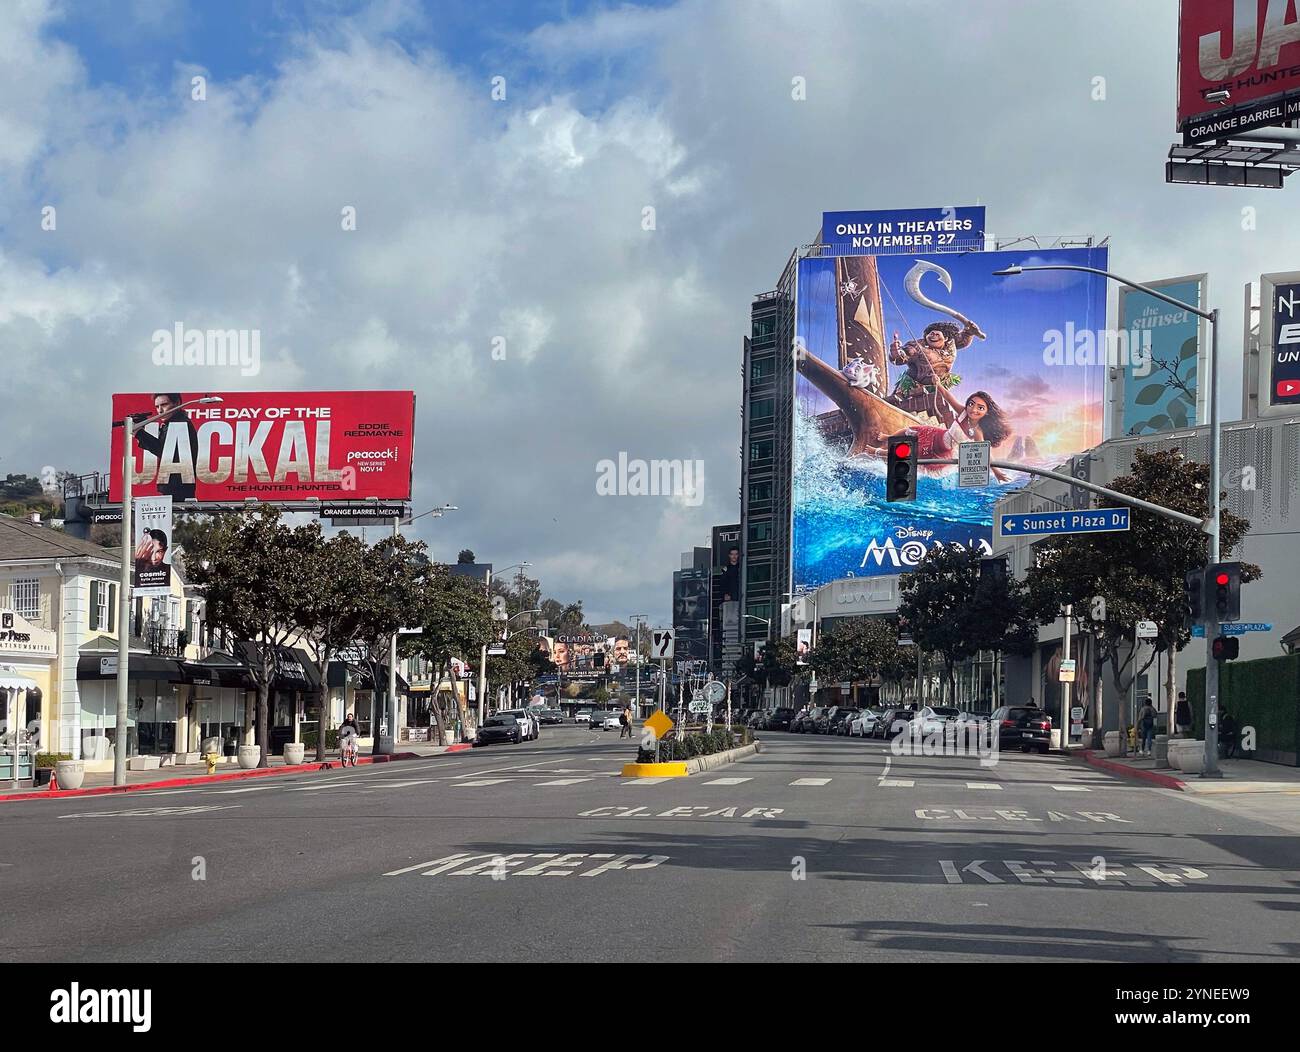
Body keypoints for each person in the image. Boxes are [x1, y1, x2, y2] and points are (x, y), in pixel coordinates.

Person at [865, 390, 1013, 483]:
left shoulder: (978, 432)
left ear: (986, 412)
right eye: (971, 404)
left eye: (980, 408)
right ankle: (887, 438)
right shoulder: (962, 412)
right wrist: (938, 384)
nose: (973, 409)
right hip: (936, 434)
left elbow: (985, 455)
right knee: (908, 430)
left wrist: (997, 472)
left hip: (941, 450)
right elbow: (948, 397)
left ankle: (876, 452)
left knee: (907, 453)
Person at [886, 319, 985, 426]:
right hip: (911, 387)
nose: (932, 336)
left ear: (946, 338)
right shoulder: (917, 347)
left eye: (936, 334)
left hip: (937, 386)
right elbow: (904, 355)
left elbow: (963, 340)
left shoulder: (951, 343)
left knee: (940, 411)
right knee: (898, 409)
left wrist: (969, 331)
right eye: (930, 334)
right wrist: (896, 353)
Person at [131, 393, 200, 501]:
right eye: (157, 407)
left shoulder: (180, 424)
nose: (160, 410)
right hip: (176, 488)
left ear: (177, 403)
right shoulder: (171, 424)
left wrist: (139, 433)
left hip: (178, 489)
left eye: (164, 405)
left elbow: (166, 451)